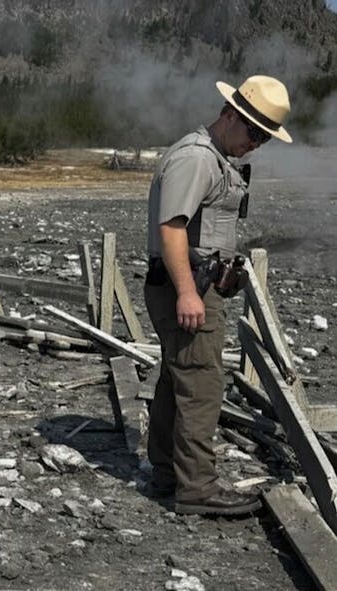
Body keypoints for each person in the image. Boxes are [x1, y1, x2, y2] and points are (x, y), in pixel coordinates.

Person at [144, 75, 292, 516]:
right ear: (230, 115)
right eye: (254, 132)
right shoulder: (197, 158)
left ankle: (169, 473)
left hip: (193, 281)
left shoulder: (214, 157)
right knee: (202, 383)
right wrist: (189, 293)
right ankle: (197, 489)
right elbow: (171, 228)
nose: (257, 143)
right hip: (185, 285)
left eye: (264, 137)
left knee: (179, 378)